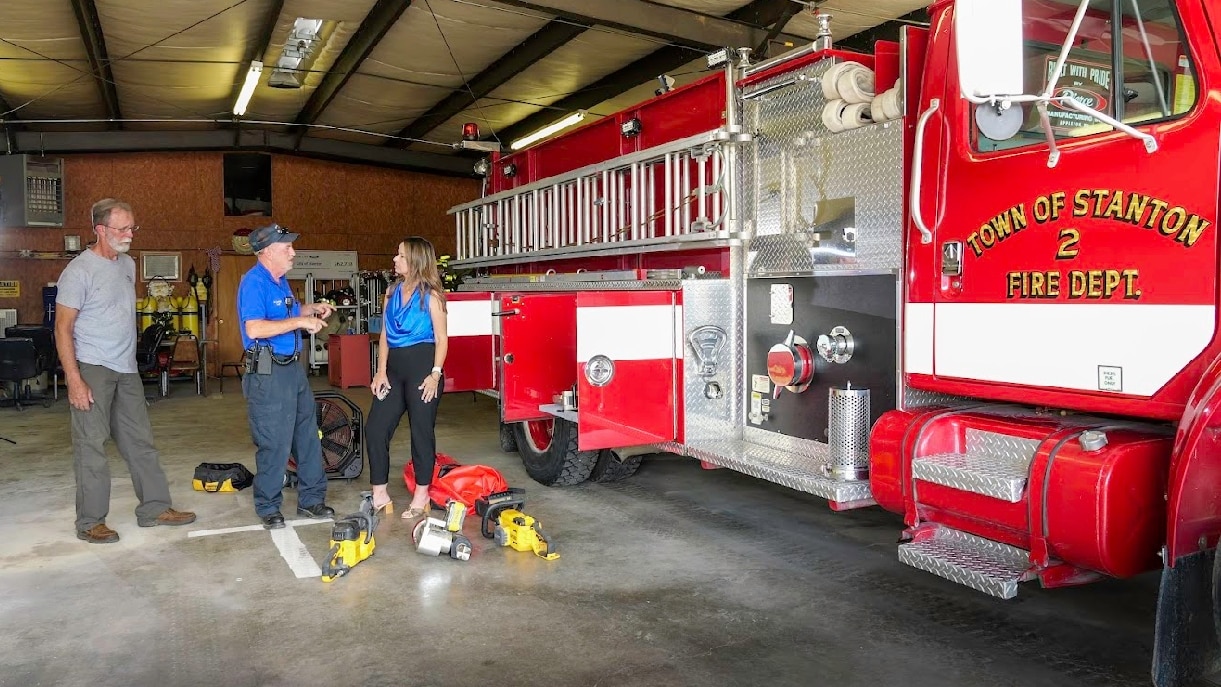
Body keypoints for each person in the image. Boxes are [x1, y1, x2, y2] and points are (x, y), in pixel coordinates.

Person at [55, 198, 197, 544]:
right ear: (100, 230)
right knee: (91, 444)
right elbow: (62, 329)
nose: (130, 234)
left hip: (126, 368)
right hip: (92, 367)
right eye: (123, 228)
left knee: (140, 442)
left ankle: (154, 507)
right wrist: (74, 379)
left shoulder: (127, 265)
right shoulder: (78, 271)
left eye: (133, 227)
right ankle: (90, 521)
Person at [236, 223, 336, 529]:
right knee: (274, 442)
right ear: (267, 253)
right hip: (268, 374)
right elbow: (255, 328)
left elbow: (285, 312)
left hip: (292, 369)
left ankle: (311, 501)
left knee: (307, 436)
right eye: (286, 248)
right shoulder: (254, 282)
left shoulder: (280, 281)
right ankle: (268, 506)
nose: (293, 252)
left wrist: (311, 309)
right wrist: (300, 322)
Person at [367, 237, 449, 520]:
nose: (395, 259)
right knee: (376, 428)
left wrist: (435, 375)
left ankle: (422, 495)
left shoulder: (432, 295)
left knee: (421, 433)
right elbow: (385, 335)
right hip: (393, 370)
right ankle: (379, 493)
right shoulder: (390, 292)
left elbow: (441, 339)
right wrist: (380, 371)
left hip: (423, 369)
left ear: (414, 260)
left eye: (400, 255)